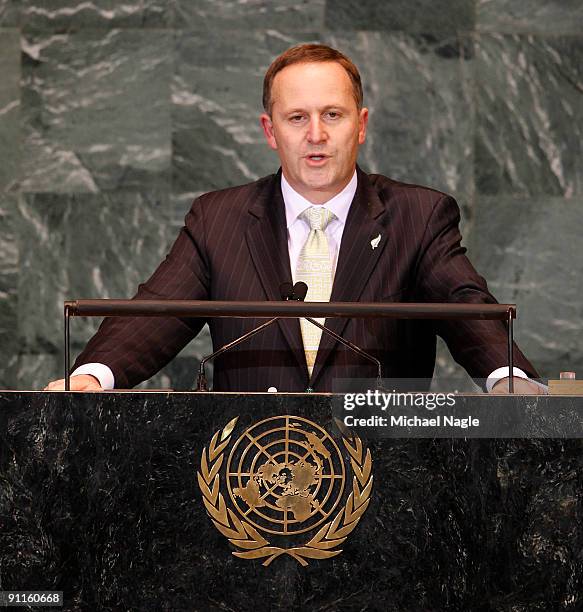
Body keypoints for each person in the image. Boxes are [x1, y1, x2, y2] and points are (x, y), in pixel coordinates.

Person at [45, 44, 543, 394]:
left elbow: (467, 309)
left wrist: (510, 379)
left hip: (389, 486)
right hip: (244, 474)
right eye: (297, 118)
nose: (316, 135)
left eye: (333, 115)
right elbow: (155, 312)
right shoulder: (218, 219)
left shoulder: (419, 215)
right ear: (270, 130)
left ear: (361, 124)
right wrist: (92, 375)